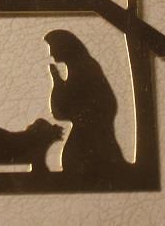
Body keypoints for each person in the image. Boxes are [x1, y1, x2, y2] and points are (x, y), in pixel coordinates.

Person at [45, 30, 128, 179]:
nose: (51, 53)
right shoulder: (79, 67)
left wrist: (59, 84)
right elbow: (63, 109)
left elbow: (103, 101)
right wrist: (59, 84)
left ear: (65, 47)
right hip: (88, 127)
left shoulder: (85, 67)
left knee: (79, 160)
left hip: (93, 129)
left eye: (53, 47)